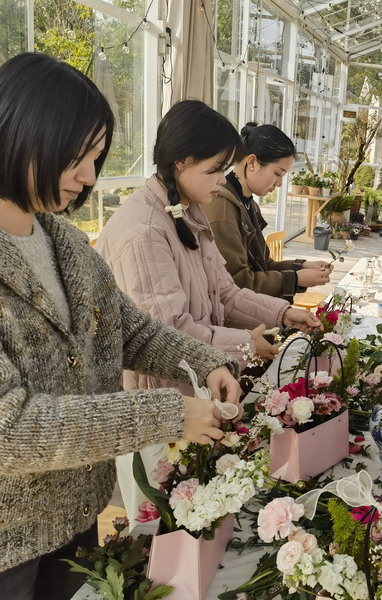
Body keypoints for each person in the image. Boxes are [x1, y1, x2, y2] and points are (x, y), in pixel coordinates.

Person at [0, 54, 242, 600]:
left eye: (96, 157)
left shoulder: (61, 242)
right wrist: (166, 412)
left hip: (78, 515)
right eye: (76, 156)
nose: (89, 176)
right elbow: (10, 428)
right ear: (20, 131)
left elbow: (130, 330)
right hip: (10, 546)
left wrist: (207, 362)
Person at [94, 100, 320, 520]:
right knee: (162, 526)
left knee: (198, 518)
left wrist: (281, 315)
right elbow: (168, 333)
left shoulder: (189, 211)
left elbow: (226, 293)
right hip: (156, 406)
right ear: (181, 162)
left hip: (194, 393)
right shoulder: (144, 231)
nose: (223, 181)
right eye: (215, 170)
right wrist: (245, 345)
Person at [203, 123, 332, 302]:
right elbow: (236, 282)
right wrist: (296, 279)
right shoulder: (222, 207)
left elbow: (263, 265)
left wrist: (301, 267)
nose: (279, 183)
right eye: (277, 173)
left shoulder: (248, 204)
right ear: (252, 162)